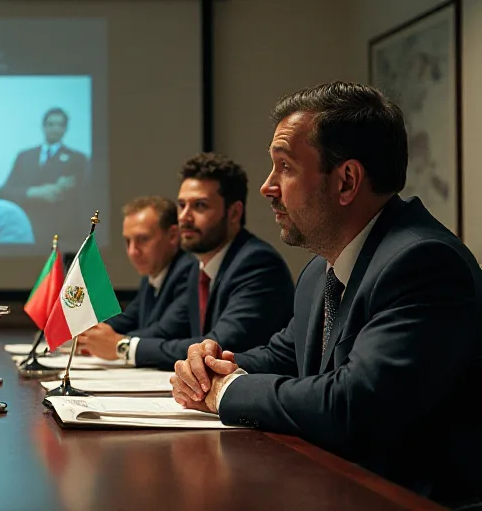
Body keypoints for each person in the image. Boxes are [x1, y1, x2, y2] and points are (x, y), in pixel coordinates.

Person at [171, 82, 482, 507]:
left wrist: (227, 392)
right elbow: (284, 355)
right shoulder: (322, 268)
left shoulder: (423, 262)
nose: (267, 187)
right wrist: (209, 366)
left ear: (346, 181)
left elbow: (352, 405)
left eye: (284, 166)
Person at [89, 153, 294, 369]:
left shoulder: (256, 263)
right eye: (182, 205)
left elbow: (217, 347)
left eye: (200, 206)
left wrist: (124, 347)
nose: (184, 217)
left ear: (234, 213)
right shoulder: (201, 269)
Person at [78, 196, 195, 361]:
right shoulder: (153, 275)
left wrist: (116, 344)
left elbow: (167, 331)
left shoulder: (190, 272)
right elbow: (128, 319)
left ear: (173, 236)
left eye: (143, 239)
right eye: (128, 241)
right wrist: (87, 335)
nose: (133, 251)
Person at [0, 107, 90, 241]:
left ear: (65, 129)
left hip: (61, 232)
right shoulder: (25, 157)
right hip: (28, 229)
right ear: (43, 127)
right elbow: (4, 192)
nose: (55, 129)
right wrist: (34, 192)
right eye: (51, 124)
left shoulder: (77, 159)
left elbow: (76, 195)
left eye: (60, 125)